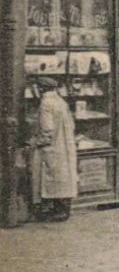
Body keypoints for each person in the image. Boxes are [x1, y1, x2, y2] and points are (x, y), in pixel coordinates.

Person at [30, 77, 77, 222]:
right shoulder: (61, 102)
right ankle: (63, 210)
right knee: (63, 178)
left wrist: (34, 143)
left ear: (41, 88)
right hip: (65, 146)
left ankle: (54, 211)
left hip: (51, 149)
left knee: (50, 179)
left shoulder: (45, 103)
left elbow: (47, 131)